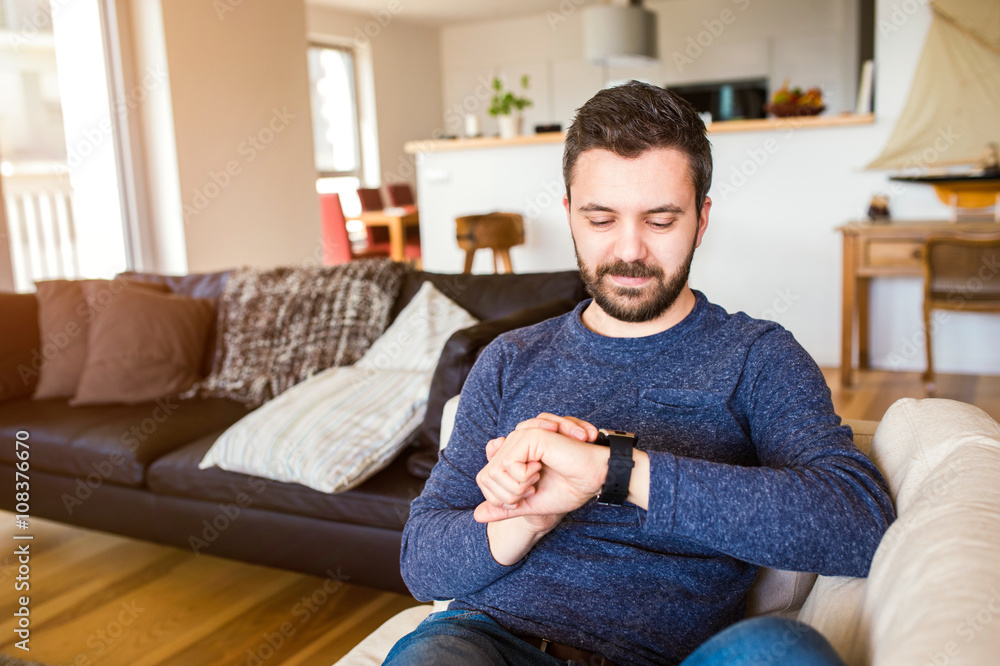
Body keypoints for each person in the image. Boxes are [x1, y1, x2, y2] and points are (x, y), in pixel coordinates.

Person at [386, 80, 896, 666]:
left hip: (665, 658)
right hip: (490, 644)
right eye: (601, 219)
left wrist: (616, 469)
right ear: (569, 215)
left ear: (701, 220)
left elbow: (859, 525)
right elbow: (420, 561)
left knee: (781, 651)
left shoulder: (758, 356)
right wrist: (528, 519)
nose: (629, 251)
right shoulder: (508, 358)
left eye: (660, 220)